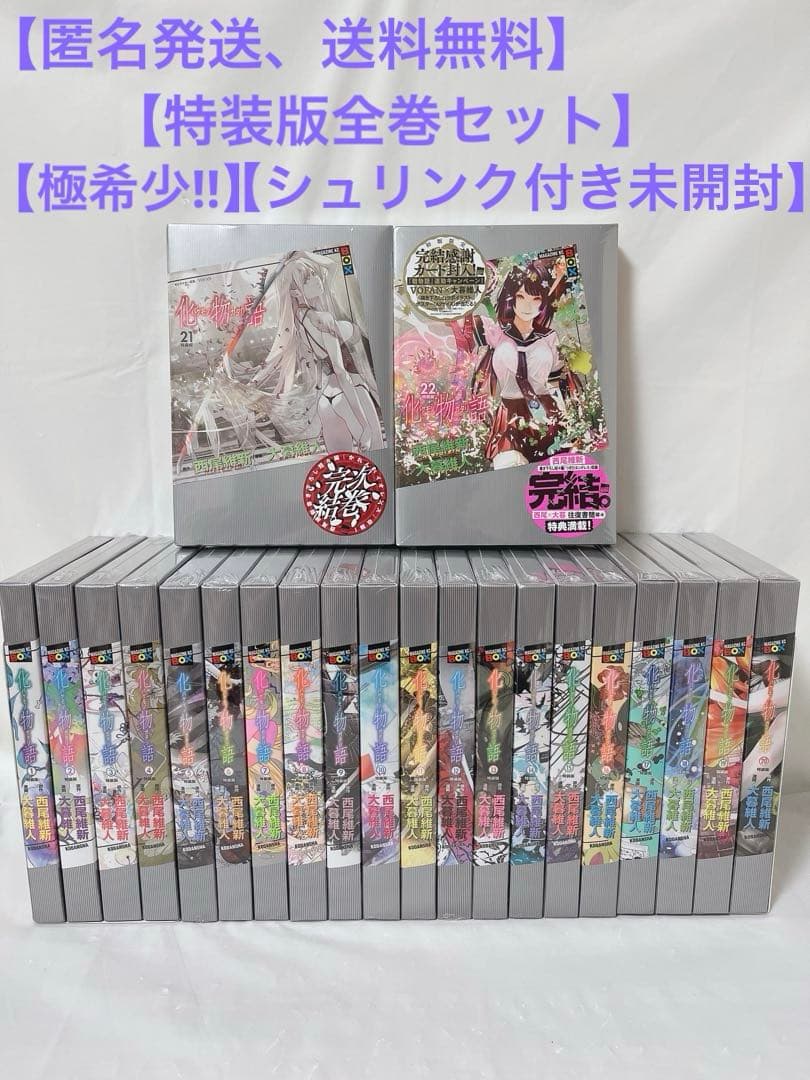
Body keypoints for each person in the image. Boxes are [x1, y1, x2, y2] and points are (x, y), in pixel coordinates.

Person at [251, 251, 383, 453]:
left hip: (326, 399)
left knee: (341, 463)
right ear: (296, 292)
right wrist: (363, 425)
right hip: (351, 390)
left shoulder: (299, 318)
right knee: (376, 454)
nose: (316, 279)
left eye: (313, 274)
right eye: (307, 279)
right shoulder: (323, 318)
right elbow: (340, 371)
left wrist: (303, 254)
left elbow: (331, 266)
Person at [470, 256, 578, 469]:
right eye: (521, 296)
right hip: (509, 413)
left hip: (546, 410)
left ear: (542, 301)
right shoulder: (496, 332)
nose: (528, 305)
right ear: (512, 298)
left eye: (535, 299)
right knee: (509, 463)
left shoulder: (549, 337)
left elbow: (556, 381)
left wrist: (567, 420)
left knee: (555, 467)